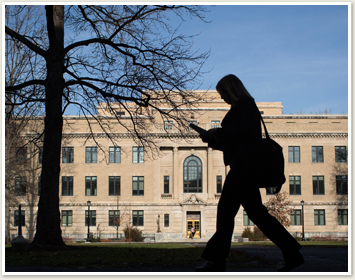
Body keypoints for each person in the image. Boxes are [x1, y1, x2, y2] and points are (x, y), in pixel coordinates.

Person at [195, 74, 304, 272]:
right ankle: (291, 252)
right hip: (242, 168)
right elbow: (236, 142)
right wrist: (213, 140)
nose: (222, 98)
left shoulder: (246, 105)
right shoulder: (241, 107)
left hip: (244, 169)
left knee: (227, 214)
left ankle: (217, 261)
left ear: (232, 89)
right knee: (256, 215)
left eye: (224, 93)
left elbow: (245, 134)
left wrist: (219, 132)